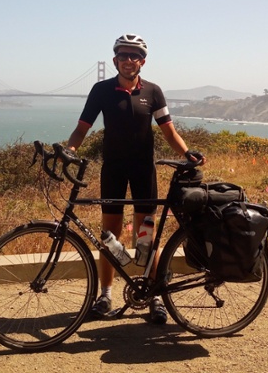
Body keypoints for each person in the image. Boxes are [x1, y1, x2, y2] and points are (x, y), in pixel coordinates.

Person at [67, 33, 205, 324]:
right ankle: (105, 295)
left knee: (145, 237)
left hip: (144, 169)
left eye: (134, 56)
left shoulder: (153, 91)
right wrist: (70, 149)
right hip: (113, 169)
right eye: (123, 55)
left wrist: (186, 152)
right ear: (115, 59)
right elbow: (82, 127)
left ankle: (154, 295)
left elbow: (168, 130)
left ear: (142, 61)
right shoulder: (101, 90)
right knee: (110, 235)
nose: (129, 61)